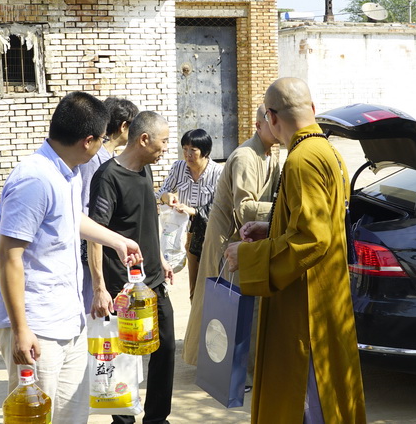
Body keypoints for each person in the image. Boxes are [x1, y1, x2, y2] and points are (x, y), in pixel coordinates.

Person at [0, 91, 143, 424]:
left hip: (68, 319)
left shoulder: (67, 173)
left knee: (72, 416)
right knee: (38, 417)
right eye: (102, 140)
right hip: (36, 325)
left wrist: (118, 241)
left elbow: (73, 219)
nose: (102, 147)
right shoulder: (34, 179)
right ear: (88, 141)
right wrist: (20, 329)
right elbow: (9, 258)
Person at [224, 78, 367, 424]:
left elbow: (313, 238)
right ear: (313, 110)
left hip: (305, 303)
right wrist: (270, 228)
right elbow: (318, 223)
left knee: (307, 398)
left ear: (271, 118)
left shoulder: (303, 159)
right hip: (326, 291)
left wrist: (246, 256)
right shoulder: (329, 151)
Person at [88, 111, 174, 424]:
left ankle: (156, 418)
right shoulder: (108, 176)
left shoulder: (145, 171)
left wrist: (161, 258)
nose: (166, 147)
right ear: (144, 139)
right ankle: (123, 420)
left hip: (153, 280)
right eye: (163, 141)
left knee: (163, 348)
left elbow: (146, 218)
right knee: (123, 356)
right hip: (121, 287)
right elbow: (95, 235)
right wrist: (99, 287)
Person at [182, 104, 280, 366]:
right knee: (224, 306)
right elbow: (246, 208)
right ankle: (221, 368)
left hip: (246, 238)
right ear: (260, 125)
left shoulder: (270, 154)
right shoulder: (246, 157)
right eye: (272, 122)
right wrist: (286, 210)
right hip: (228, 240)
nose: (278, 126)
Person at [78, 97, 139, 316]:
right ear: (124, 126)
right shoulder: (94, 160)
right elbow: (86, 209)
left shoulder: (109, 158)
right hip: (90, 246)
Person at [157, 128, 223, 299]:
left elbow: (219, 206)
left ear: (205, 152)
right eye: (185, 149)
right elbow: (161, 192)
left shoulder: (217, 172)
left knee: (209, 281)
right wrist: (167, 196)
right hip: (182, 232)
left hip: (207, 233)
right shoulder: (178, 167)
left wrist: (192, 210)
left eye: (193, 150)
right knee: (192, 285)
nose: (187, 154)